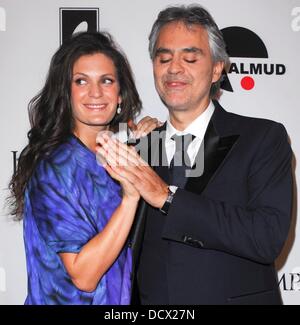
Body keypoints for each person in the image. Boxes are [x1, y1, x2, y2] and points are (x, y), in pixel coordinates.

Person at [97, 5, 293, 305]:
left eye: (189, 57)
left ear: (217, 69)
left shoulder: (262, 138)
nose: (174, 68)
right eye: (164, 58)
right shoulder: (141, 149)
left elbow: (266, 238)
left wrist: (168, 198)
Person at [8, 31, 160, 305]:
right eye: (81, 81)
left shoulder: (116, 151)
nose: (96, 93)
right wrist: (130, 198)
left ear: (120, 94)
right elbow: (84, 276)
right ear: (65, 92)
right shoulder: (55, 166)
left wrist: (150, 137)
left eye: (106, 81)